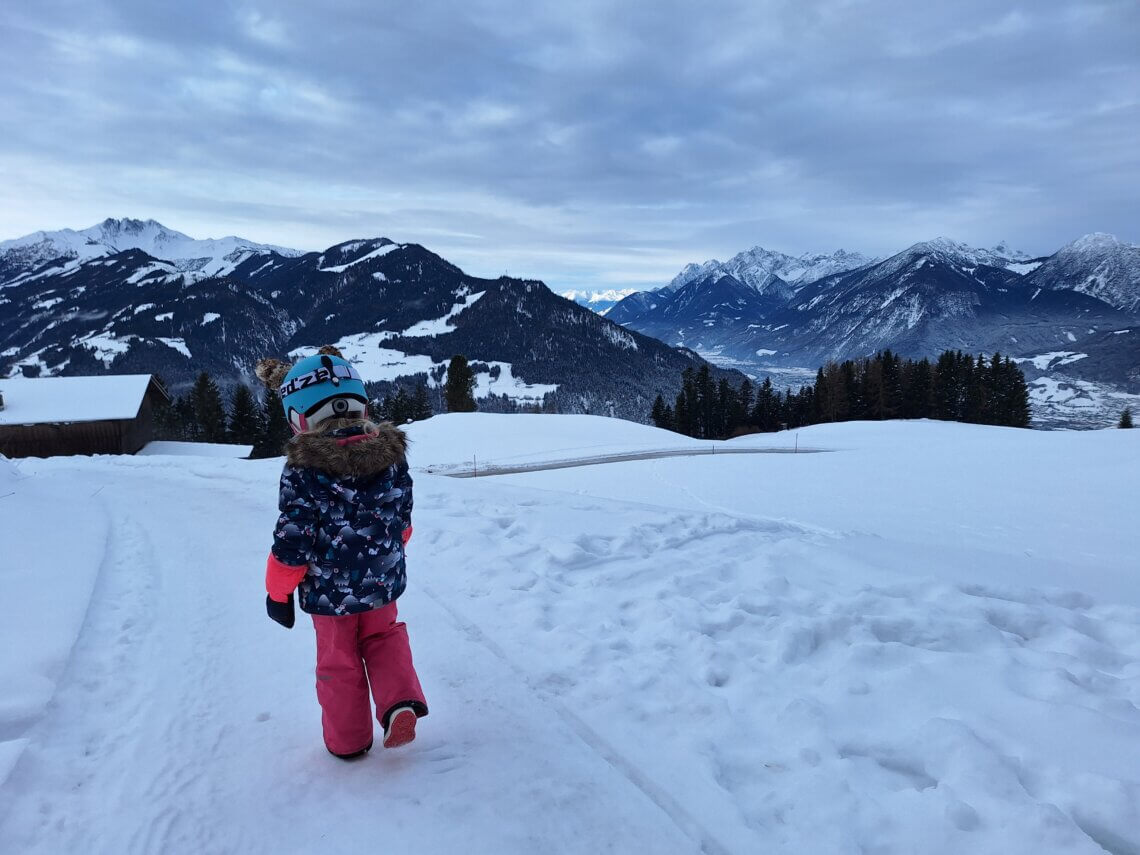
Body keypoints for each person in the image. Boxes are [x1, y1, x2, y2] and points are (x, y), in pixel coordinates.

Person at [257, 348, 428, 759]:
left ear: (299, 418)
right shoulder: (391, 457)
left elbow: (292, 542)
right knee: (384, 638)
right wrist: (387, 555)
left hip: (330, 595)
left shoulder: (303, 469)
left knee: (338, 661)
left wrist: (277, 593)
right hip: (382, 581)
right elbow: (401, 519)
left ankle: (348, 741)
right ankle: (398, 702)